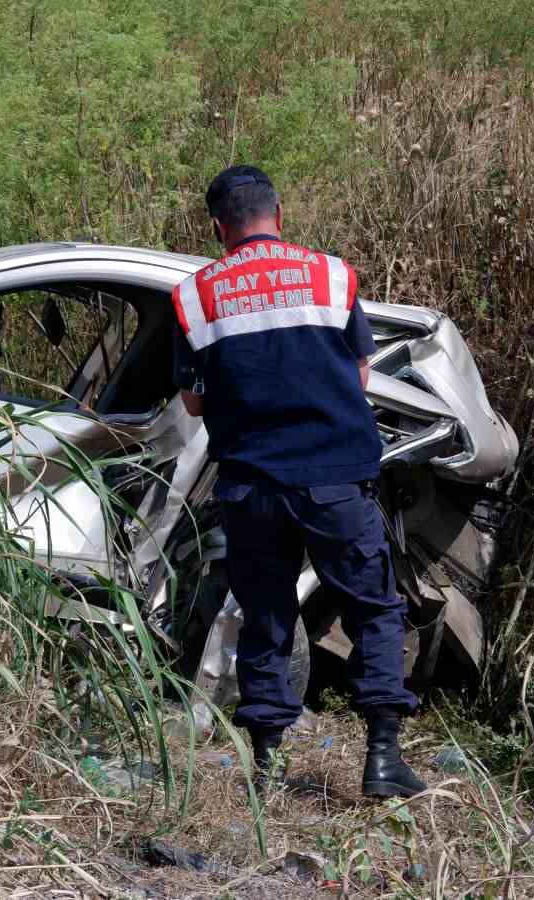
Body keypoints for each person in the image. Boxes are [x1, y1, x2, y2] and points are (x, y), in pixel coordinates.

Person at [171, 165, 426, 798]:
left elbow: (194, 405)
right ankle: (384, 759)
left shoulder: (195, 295)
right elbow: (361, 376)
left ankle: (266, 766)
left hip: (252, 484)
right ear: (279, 216)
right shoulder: (332, 276)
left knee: (266, 617)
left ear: (218, 228)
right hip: (335, 479)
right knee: (373, 608)